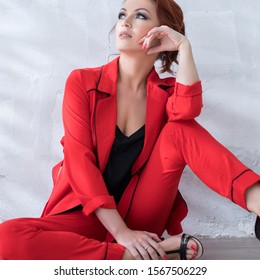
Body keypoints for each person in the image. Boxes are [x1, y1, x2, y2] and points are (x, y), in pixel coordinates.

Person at [0, 0, 260, 260]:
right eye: (122, 14)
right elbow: (79, 161)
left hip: (142, 214)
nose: (125, 21)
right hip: (86, 214)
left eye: (141, 16)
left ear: (162, 31)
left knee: (181, 129)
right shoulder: (83, 82)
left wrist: (184, 47)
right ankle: (130, 255)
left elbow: (188, 110)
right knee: (6, 237)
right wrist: (121, 232)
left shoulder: (167, 93)